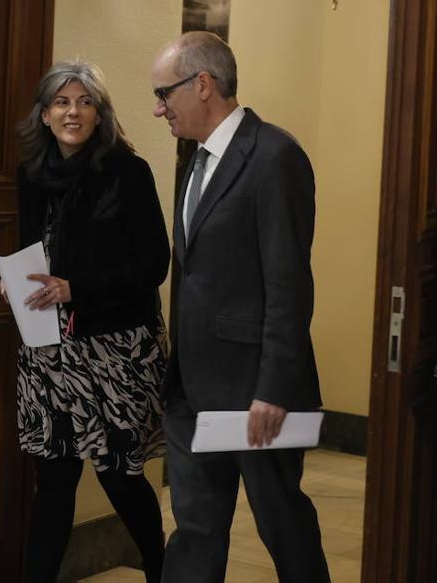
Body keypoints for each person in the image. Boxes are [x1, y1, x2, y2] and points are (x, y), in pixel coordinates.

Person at [150, 32, 329, 583]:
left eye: (164, 93)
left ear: (203, 84)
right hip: (191, 388)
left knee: (283, 527)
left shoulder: (275, 156)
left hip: (257, 393)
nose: (159, 108)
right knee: (194, 530)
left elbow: (288, 284)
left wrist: (274, 388)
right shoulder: (194, 162)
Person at [11, 60, 171, 583]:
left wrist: (75, 289)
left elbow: (153, 265)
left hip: (118, 349)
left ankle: (160, 570)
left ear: (100, 115)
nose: (72, 112)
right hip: (49, 349)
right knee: (53, 478)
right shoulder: (31, 174)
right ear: (43, 114)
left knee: (120, 476)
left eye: (84, 102)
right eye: (61, 102)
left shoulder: (128, 170)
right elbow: (34, 247)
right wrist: (16, 279)